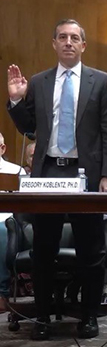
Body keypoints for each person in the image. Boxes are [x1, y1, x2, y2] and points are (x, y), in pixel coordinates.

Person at [7, 18, 107, 340]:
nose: (68, 42)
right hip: (49, 171)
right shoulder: (40, 82)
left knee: (91, 249)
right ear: (54, 44)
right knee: (44, 247)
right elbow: (28, 127)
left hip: (87, 172)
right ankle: (42, 316)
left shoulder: (101, 81)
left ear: (83, 45)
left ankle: (89, 315)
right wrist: (16, 100)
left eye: (74, 38)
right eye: (62, 37)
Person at [0, 133, 27, 314]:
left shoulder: (15, 171)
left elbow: (24, 206)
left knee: (2, 232)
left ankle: (1, 293)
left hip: (7, 220)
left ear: (2, 149)